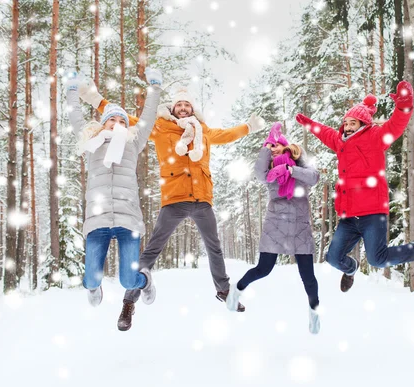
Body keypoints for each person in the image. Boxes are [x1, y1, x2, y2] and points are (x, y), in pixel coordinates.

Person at [78, 80, 265, 331]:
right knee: (152, 250)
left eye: (188, 104)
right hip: (174, 200)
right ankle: (129, 301)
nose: (184, 108)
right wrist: (97, 101)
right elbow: (130, 120)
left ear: (193, 109)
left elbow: (228, 134)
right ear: (173, 108)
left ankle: (224, 291)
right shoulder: (160, 128)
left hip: (201, 200)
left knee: (214, 248)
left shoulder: (204, 131)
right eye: (180, 104)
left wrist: (248, 127)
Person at [295, 81, 414, 292]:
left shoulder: (375, 136)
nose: (347, 126)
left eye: (353, 122)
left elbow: (396, 125)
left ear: (363, 123)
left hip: (372, 212)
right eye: (346, 122)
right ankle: (351, 269)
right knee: (333, 258)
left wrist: (404, 106)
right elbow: (325, 132)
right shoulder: (340, 141)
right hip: (349, 214)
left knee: (377, 259)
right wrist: (309, 124)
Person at [66, 67, 162, 306]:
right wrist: (70, 88)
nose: (117, 123)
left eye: (122, 121)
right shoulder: (92, 142)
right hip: (98, 219)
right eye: (112, 119)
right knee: (89, 279)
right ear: (103, 123)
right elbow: (75, 116)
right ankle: (93, 287)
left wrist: (155, 87)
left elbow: (148, 117)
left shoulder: (132, 142)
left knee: (129, 281)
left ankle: (145, 282)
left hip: (127, 219)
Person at [226, 123, 321, 334]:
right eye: (270, 146)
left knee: (307, 275)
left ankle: (314, 312)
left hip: (299, 226)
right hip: (275, 226)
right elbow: (258, 173)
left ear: (286, 147)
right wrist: (265, 150)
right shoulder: (269, 173)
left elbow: (314, 177)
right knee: (263, 269)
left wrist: (290, 169)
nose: (274, 148)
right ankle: (237, 290)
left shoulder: (299, 165)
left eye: (277, 145)